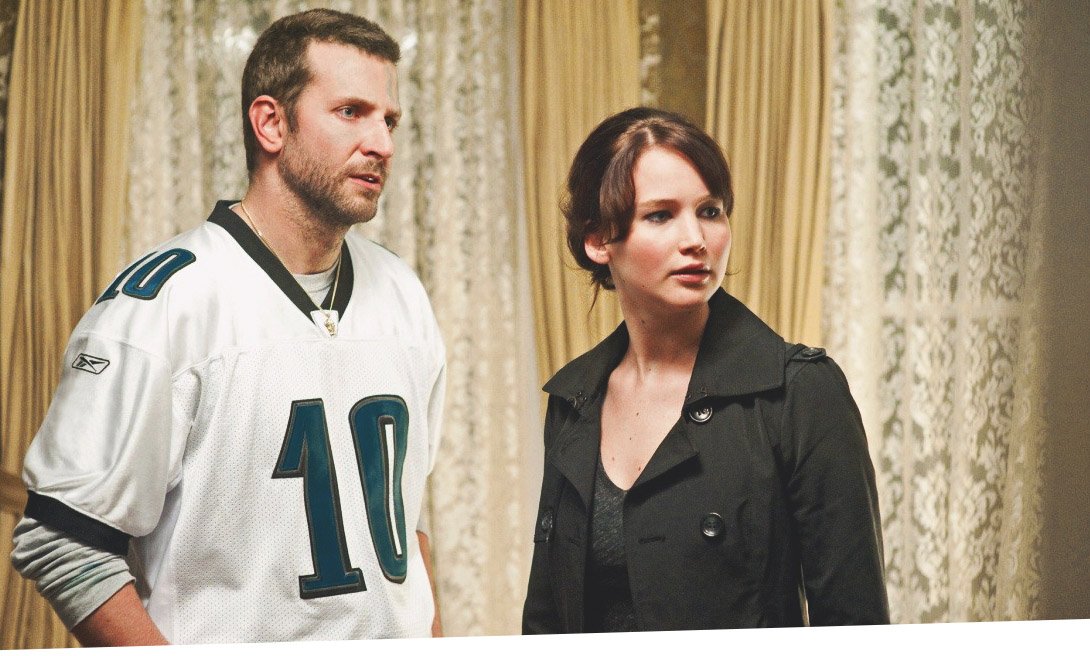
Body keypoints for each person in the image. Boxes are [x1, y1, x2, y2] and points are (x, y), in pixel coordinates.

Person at [11, 9, 445, 645]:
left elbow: (406, 516)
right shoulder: (164, 303)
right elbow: (63, 539)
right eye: (351, 111)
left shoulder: (403, 292)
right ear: (271, 123)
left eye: (389, 119)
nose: (383, 143)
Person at [522, 107, 889, 632]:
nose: (696, 238)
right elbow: (546, 622)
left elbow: (856, 626)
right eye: (660, 215)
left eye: (711, 211)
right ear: (599, 240)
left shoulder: (799, 393)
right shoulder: (573, 402)